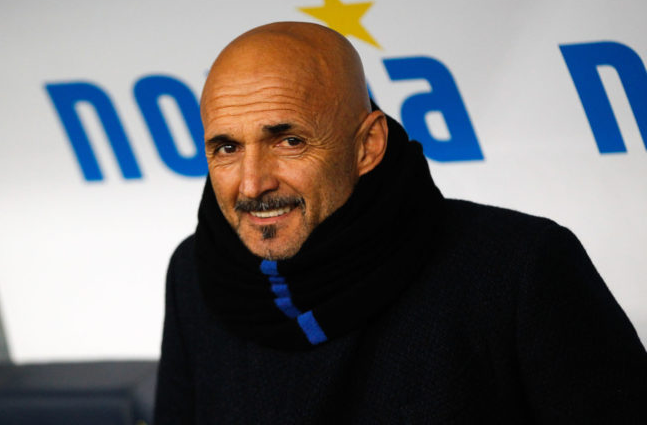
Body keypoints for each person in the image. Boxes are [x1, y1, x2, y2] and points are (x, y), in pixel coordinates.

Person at [154, 22, 647, 424]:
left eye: (290, 141)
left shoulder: (520, 267)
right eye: (227, 148)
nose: (252, 184)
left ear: (367, 146)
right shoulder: (194, 272)